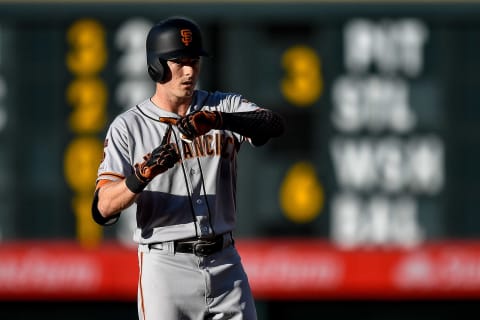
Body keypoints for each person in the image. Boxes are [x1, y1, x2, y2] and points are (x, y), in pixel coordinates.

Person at [91, 16, 285, 320]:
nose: (189, 70)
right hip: (166, 267)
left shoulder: (221, 107)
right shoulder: (129, 127)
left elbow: (272, 124)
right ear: (156, 66)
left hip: (225, 263)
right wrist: (140, 177)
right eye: (178, 61)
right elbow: (102, 209)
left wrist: (220, 121)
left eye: (193, 61)